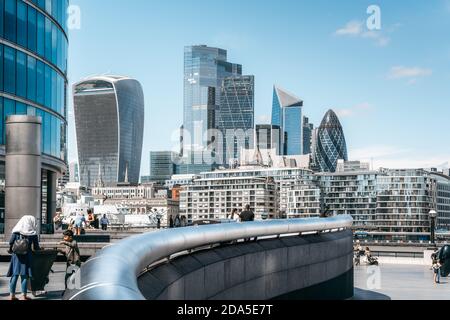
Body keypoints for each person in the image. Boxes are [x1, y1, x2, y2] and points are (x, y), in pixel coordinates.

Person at [7, 215, 40, 301]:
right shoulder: (33, 234)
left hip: (16, 256)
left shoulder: (16, 231)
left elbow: (10, 242)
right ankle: (23, 296)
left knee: (15, 275)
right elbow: (36, 247)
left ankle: (12, 295)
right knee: (24, 276)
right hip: (26, 256)